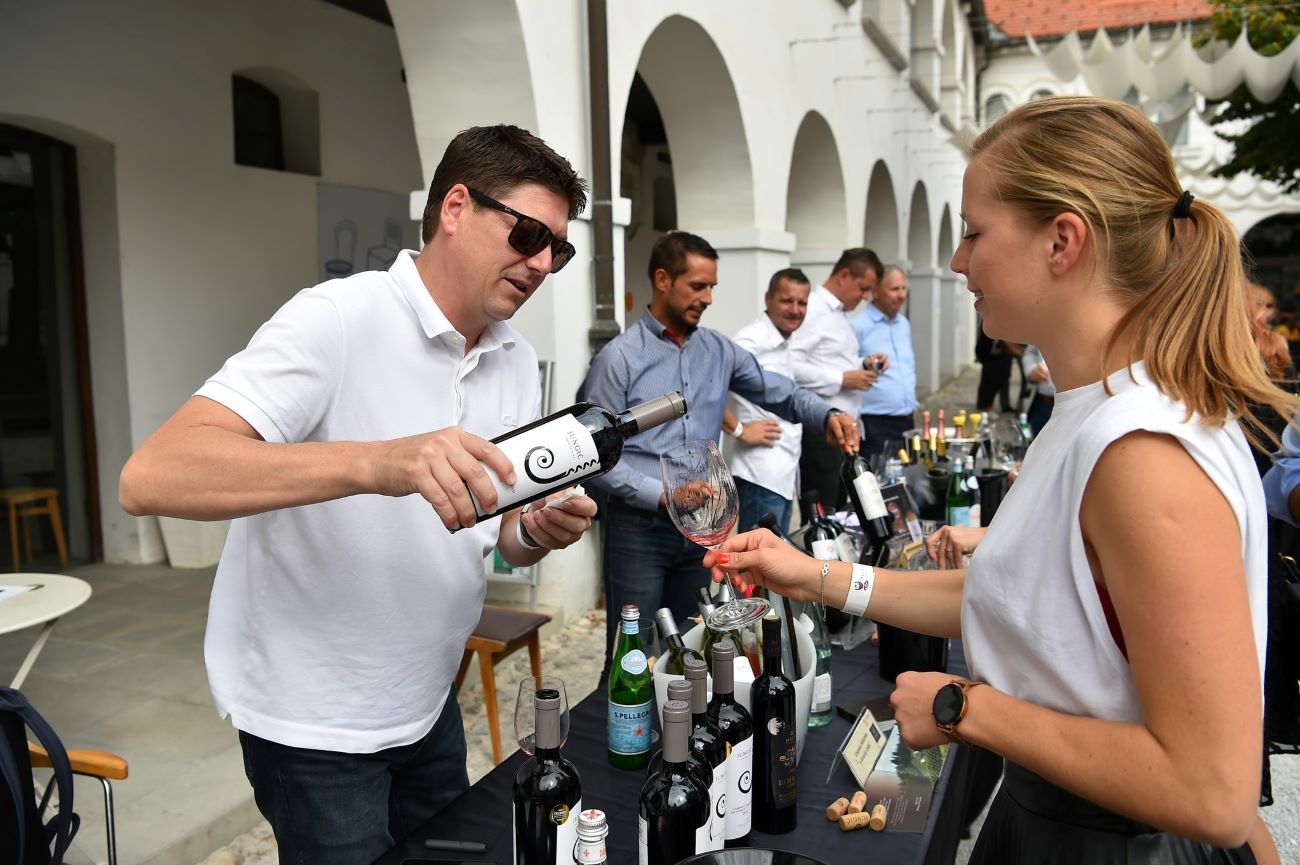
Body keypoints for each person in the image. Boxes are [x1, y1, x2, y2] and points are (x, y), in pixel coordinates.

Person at [703, 96, 1293, 864]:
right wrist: (813, 574)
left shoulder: (1142, 450)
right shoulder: (1095, 414)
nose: (955, 260)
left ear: (1063, 241)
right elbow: (1010, 594)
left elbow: (1213, 792)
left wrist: (962, 709)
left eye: (975, 232)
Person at [118, 126, 599, 865]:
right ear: (456, 207)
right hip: (317, 724)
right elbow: (153, 474)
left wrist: (537, 530)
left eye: (556, 249)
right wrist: (377, 462)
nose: (540, 263)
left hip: (430, 698)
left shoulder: (513, 352)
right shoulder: (338, 317)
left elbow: (494, 526)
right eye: (529, 233)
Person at [581, 231, 857, 657]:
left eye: (712, 287)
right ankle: (628, 727)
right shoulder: (618, 359)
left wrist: (828, 415)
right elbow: (593, 458)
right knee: (634, 656)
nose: (708, 297)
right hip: (639, 532)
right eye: (697, 286)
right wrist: (665, 495)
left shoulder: (718, 350)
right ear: (661, 280)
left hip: (704, 530)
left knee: (694, 646)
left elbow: (778, 390)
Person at [788, 248, 889, 509]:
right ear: (844, 275)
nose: (866, 297)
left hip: (846, 427)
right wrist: (841, 379)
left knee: (842, 506)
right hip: (821, 431)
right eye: (863, 288)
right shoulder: (812, 309)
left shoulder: (840, 313)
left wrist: (863, 364)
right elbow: (790, 365)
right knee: (825, 508)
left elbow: (831, 358)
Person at [724, 268, 812, 533]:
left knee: (776, 566)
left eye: (802, 303)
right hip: (760, 475)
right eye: (787, 301)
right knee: (757, 568)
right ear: (768, 299)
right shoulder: (750, 341)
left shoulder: (784, 341)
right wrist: (739, 430)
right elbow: (706, 390)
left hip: (783, 474)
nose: (795, 309)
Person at [852, 264, 917, 460]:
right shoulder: (858, 325)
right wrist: (865, 362)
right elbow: (844, 365)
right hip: (875, 423)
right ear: (876, 292)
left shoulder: (903, 324)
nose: (901, 295)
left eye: (904, 288)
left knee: (907, 481)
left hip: (906, 420)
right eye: (894, 289)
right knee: (880, 484)